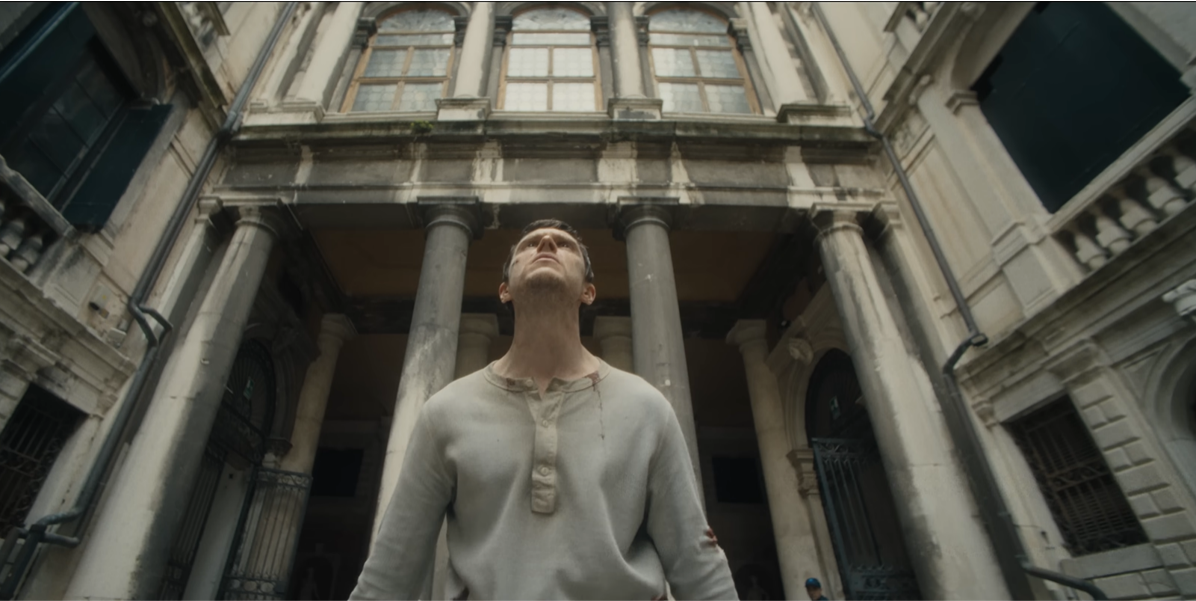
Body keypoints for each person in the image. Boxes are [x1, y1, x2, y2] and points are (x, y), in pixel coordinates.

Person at [348, 219, 737, 600]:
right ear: (504, 290)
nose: (547, 244)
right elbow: (387, 577)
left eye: (564, 245)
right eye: (530, 245)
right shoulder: (444, 413)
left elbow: (699, 568)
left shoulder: (648, 409)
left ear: (588, 292)